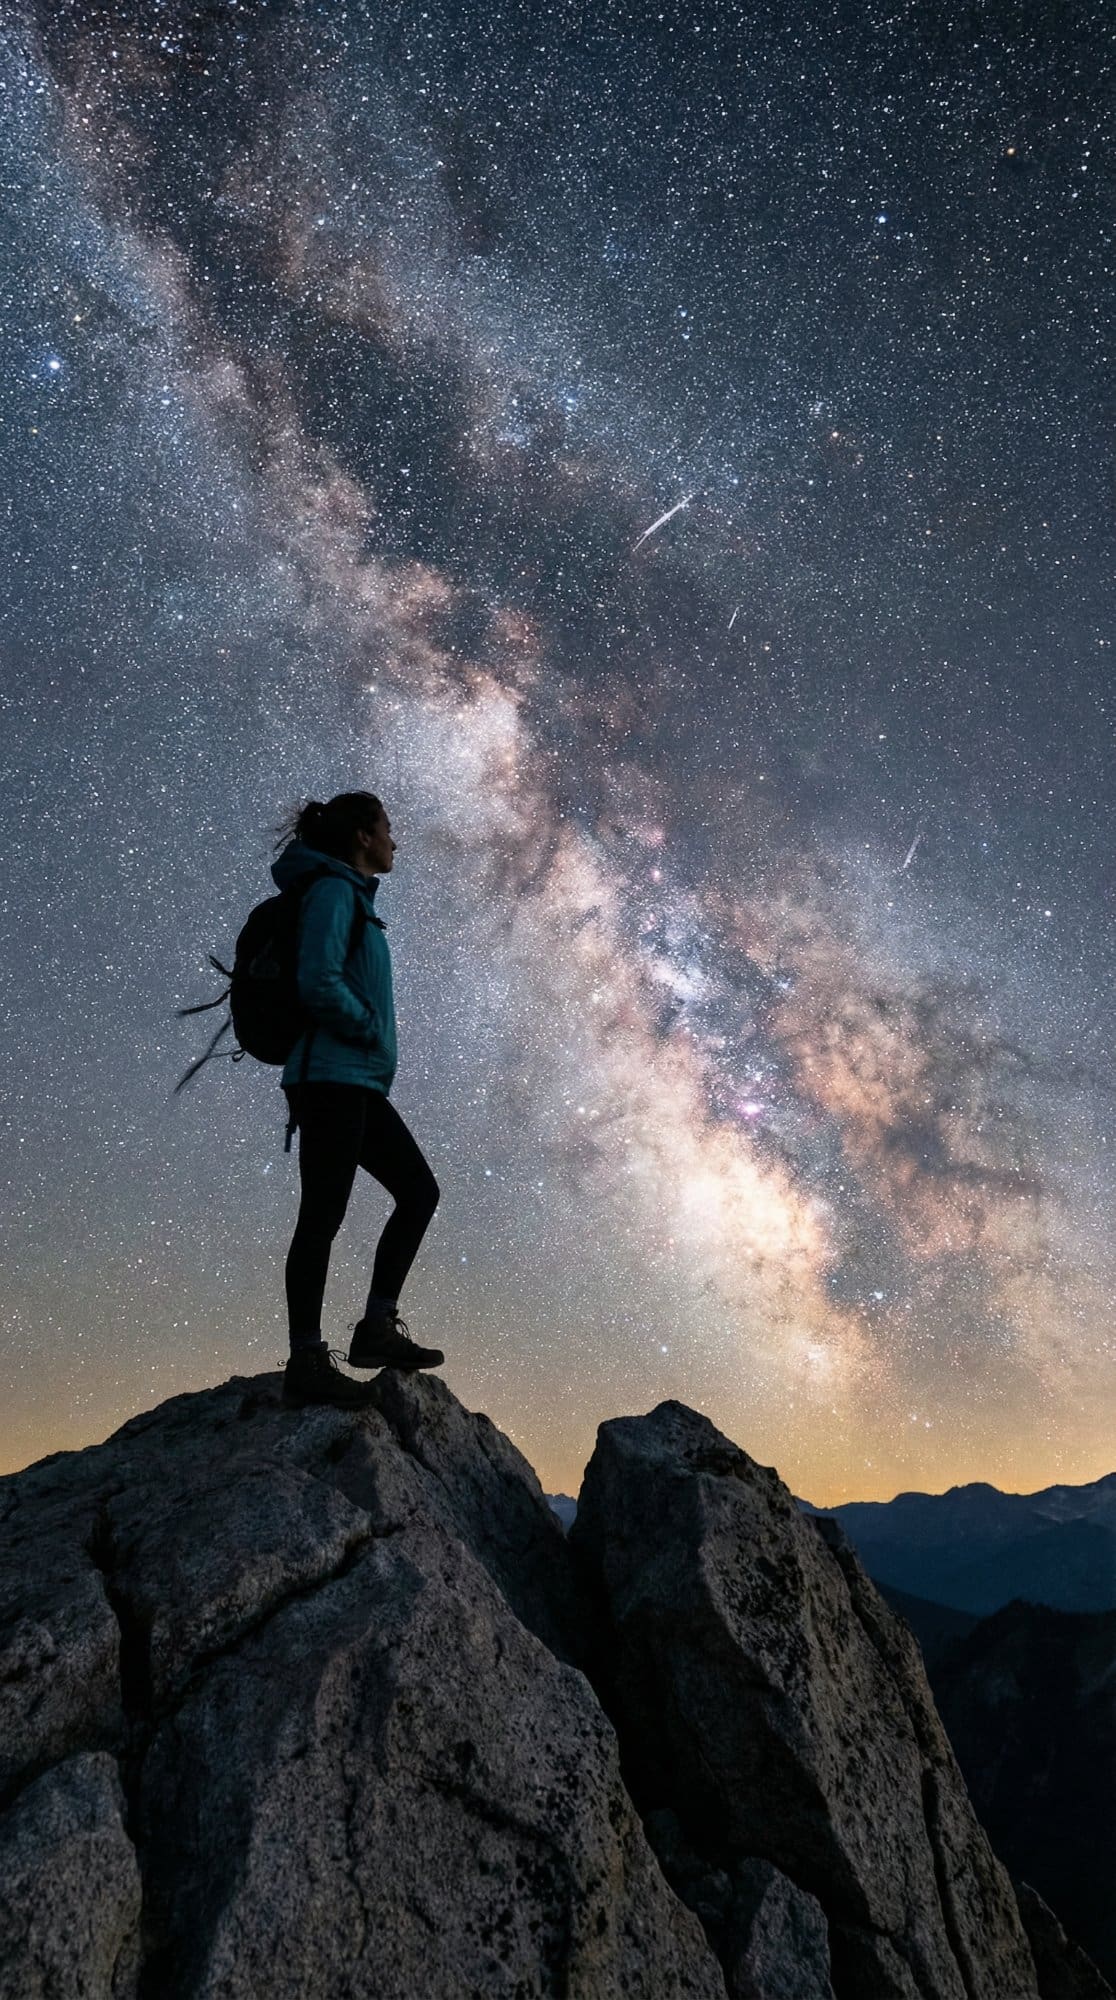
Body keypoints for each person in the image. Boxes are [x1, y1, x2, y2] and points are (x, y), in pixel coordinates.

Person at [273, 790, 443, 1409]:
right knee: (322, 1214)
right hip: (330, 1079)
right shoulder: (334, 892)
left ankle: (375, 1329)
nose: (396, 841)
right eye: (388, 828)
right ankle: (307, 1360)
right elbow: (316, 980)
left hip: (359, 1083)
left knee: (419, 1192)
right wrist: (368, 1026)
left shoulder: (357, 902)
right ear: (363, 836)